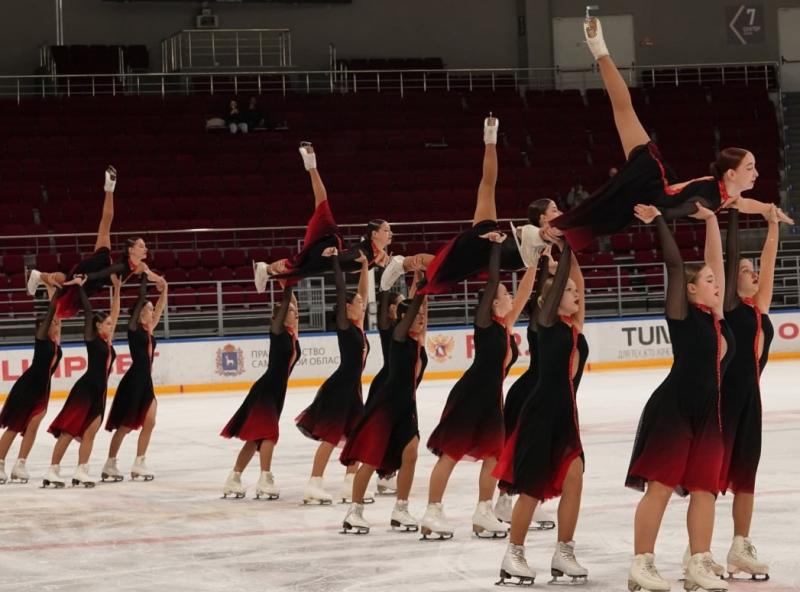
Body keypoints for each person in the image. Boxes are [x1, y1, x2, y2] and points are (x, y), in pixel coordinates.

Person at [550, 17, 792, 251]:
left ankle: (598, 47)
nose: (756, 173)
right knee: (606, 209)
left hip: (655, 182)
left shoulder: (725, 194)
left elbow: (743, 203)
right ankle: (557, 228)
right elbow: (686, 209)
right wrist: (659, 214)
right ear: (731, 173)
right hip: (652, 181)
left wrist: (768, 209)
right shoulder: (711, 198)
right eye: (750, 168)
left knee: (623, 112)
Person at [625, 203, 734, 592]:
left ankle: (699, 563)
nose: (716, 283)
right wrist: (658, 223)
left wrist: (713, 222)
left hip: (709, 413)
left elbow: (717, 264)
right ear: (690, 289)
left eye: (714, 280)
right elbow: (674, 266)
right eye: (707, 280)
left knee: (705, 488)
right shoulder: (682, 314)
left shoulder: (714, 316)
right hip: (674, 410)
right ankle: (642, 563)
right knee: (661, 487)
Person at [421, 237, 536, 540]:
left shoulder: (504, 324)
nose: (510, 295)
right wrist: (495, 248)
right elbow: (494, 279)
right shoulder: (485, 322)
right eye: (504, 293)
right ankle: (432, 512)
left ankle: (484, 512)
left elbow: (524, 292)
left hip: (491, 400)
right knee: (451, 455)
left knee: (494, 456)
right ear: (493, 301)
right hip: (470, 396)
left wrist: (536, 261)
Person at [493, 243, 589, 586]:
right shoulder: (545, 323)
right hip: (540, 414)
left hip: (566, 416)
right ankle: (513, 553)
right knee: (532, 488)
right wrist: (559, 257)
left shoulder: (572, 324)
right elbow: (562, 277)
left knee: (575, 477)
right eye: (568, 291)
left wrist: (569, 245)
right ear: (548, 300)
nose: (576, 293)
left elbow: (575, 277)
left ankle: (564, 552)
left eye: (576, 291)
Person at [709, 205, 780, 580]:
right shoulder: (726, 307)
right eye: (745, 270)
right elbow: (728, 256)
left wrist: (771, 226)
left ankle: (740, 545)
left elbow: (769, 263)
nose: (754, 275)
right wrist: (730, 215)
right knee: (710, 476)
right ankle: (698, 548)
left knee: (746, 475)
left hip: (752, 402)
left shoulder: (760, 309)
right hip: (723, 404)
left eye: (754, 272)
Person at [339, 280, 428, 534]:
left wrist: (425, 294)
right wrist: (420, 289)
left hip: (407, 406)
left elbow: (421, 315)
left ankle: (401, 509)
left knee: (410, 453)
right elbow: (408, 312)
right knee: (370, 457)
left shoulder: (416, 341)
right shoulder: (398, 339)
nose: (420, 320)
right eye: (416, 316)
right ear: (403, 319)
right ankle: (354, 511)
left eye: (422, 317)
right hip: (386, 406)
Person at [253, 143, 393, 291]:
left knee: (296, 266)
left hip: (327, 251)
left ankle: (264, 269)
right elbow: (350, 256)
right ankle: (264, 270)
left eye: (390, 230)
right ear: (374, 234)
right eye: (386, 230)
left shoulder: (375, 253)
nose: (390, 233)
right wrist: (336, 254)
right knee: (295, 268)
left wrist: (374, 262)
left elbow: (351, 268)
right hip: (327, 249)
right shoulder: (365, 251)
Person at [27, 166, 163, 317]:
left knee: (106, 224)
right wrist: (86, 278)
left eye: (145, 246)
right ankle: (39, 276)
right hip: (92, 274)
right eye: (141, 246)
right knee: (63, 295)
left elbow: (150, 275)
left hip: (102, 262)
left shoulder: (140, 265)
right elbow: (103, 273)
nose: (145, 249)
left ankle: (110, 188)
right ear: (131, 249)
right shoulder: (122, 267)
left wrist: (160, 281)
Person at [295, 249, 373, 504]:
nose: (363, 304)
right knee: (330, 436)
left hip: (353, 390)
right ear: (347, 308)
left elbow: (363, 293)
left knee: (356, 437)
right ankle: (313, 484)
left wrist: (364, 266)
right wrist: (336, 264)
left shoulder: (358, 326)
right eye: (358, 303)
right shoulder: (344, 324)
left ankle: (351, 484)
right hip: (340, 389)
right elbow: (342, 291)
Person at [494, 241, 557, 531]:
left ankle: (528, 499)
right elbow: (536, 291)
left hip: (540, 389)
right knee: (523, 448)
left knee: (537, 449)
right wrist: (540, 262)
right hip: (529, 391)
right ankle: (506, 500)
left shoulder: (558, 324)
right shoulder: (538, 324)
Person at [221, 286, 301, 500]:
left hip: (277, 393)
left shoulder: (292, 335)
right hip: (265, 391)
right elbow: (285, 304)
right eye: (292, 312)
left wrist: (290, 292)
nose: (296, 314)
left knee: (256, 439)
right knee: (269, 434)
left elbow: (293, 307)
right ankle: (265, 479)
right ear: (281, 315)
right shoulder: (276, 331)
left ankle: (234, 478)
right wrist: (289, 283)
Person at [44, 276, 122, 488]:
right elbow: (88, 313)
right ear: (98, 326)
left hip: (100, 393)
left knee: (90, 432)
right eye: (107, 323)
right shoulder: (92, 338)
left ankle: (82, 470)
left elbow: (115, 312)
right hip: (85, 390)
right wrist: (80, 289)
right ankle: (53, 470)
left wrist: (117, 290)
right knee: (69, 431)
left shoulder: (107, 342)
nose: (111, 325)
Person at [102, 275, 168, 482]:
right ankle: (110, 463)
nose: (152, 311)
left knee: (150, 422)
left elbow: (160, 308)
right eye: (148, 309)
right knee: (126, 425)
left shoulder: (149, 329)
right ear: (140, 313)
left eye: (151, 309)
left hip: (146, 381)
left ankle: (139, 462)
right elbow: (141, 298)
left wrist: (164, 289)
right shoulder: (133, 329)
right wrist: (142, 277)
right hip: (134, 381)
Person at [0, 287, 63, 484]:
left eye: (55, 323)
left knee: (33, 426)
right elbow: (52, 312)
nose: (55, 325)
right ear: (41, 328)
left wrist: (55, 290)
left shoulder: (55, 343)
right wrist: (55, 295)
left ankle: (20, 465)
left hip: (42, 390)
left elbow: (58, 315)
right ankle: (0, 463)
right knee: (14, 426)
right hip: (27, 388)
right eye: (51, 323)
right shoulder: (41, 339)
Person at [366, 289, 405, 495]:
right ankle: (383, 474)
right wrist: (385, 287)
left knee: (394, 433)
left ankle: (387, 473)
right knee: (382, 432)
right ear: (390, 308)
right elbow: (382, 314)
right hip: (386, 385)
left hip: (397, 385)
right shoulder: (387, 327)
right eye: (399, 303)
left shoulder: (403, 326)